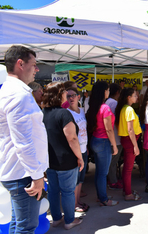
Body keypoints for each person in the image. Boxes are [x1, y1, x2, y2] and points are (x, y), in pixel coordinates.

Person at [0, 45, 48, 234]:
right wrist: (36, 176)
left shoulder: (11, 91)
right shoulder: (18, 95)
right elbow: (23, 142)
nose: (37, 70)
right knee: (26, 227)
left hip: (19, 171)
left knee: (18, 224)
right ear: (20, 64)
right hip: (23, 173)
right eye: (34, 65)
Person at [42, 82, 84, 230]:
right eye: (64, 92)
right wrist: (80, 157)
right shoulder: (63, 113)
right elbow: (72, 138)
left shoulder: (43, 112)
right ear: (60, 94)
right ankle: (69, 221)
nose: (66, 94)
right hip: (66, 160)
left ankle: (56, 219)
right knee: (67, 192)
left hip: (50, 160)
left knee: (53, 191)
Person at [86, 81, 119, 206]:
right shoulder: (104, 108)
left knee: (99, 172)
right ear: (103, 91)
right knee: (102, 173)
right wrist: (114, 145)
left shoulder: (94, 106)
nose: (108, 92)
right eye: (107, 89)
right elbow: (109, 129)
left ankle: (101, 196)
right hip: (103, 141)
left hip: (95, 139)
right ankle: (104, 199)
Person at [115, 88, 142, 201]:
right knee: (128, 168)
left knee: (127, 167)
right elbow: (130, 129)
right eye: (134, 95)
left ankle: (127, 190)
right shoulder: (129, 109)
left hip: (127, 140)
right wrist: (135, 146)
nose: (136, 97)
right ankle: (128, 194)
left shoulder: (123, 108)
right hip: (130, 140)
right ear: (128, 97)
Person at [66, 87, 89, 212]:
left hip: (84, 148)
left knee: (81, 179)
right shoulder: (67, 113)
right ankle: (74, 204)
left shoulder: (81, 111)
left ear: (78, 97)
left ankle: (78, 200)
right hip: (75, 152)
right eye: (68, 96)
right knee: (75, 180)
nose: (71, 98)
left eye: (73, 95)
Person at [105, 83, 123, 190]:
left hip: (110, 136)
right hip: (115, 136)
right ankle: (112, 181)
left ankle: (112, 178)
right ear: (117, 92)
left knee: (111, 160)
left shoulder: (107, 102)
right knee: (113, 161)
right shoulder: (115, 103)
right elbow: (117, 121)